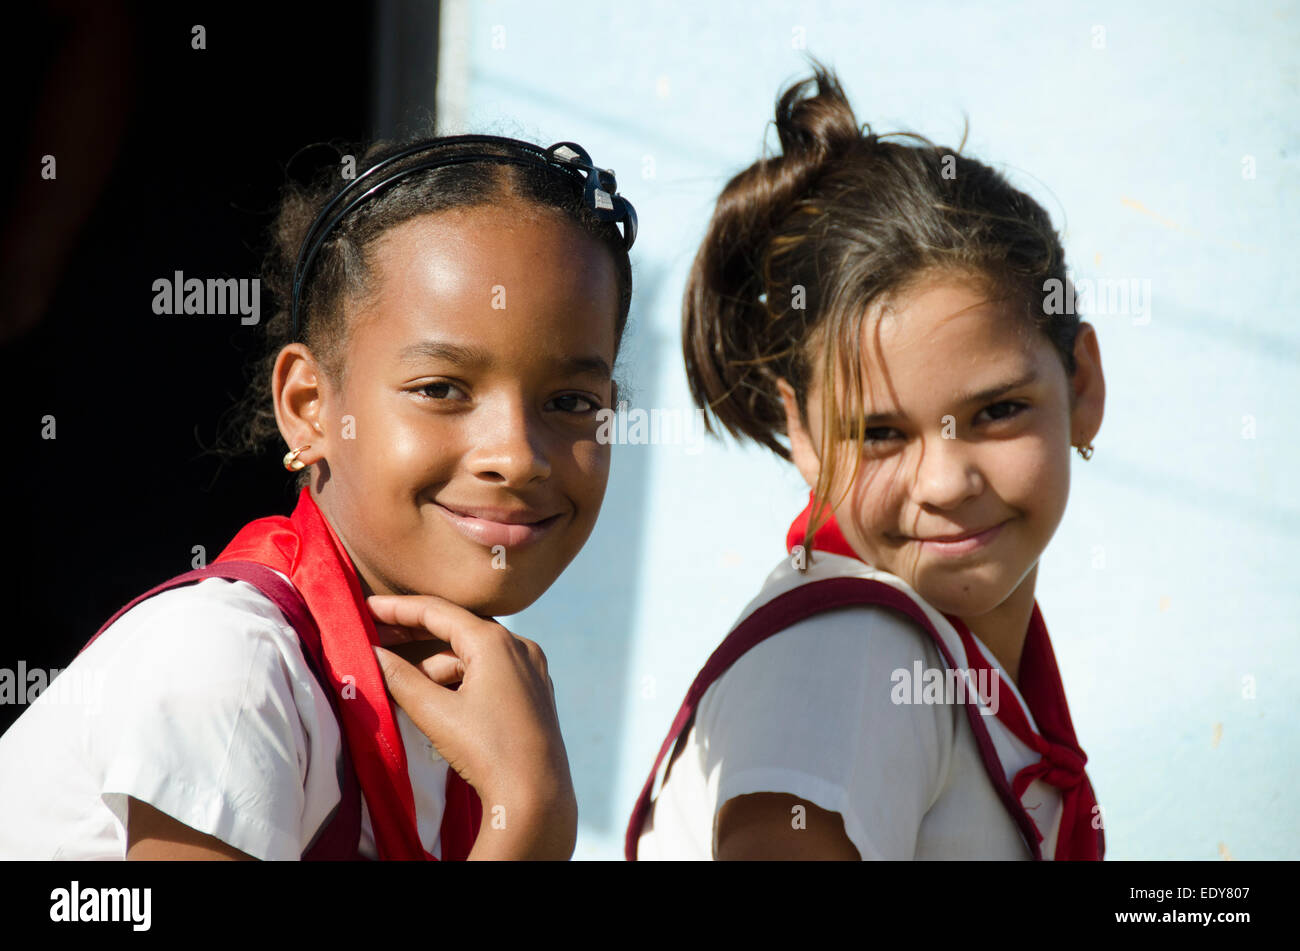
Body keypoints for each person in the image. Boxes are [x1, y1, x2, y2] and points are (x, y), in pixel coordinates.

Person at [0, 133, 637, 860]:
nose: (517, 455)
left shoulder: (476, 715)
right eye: (440, 389)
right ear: (308, 406)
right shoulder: (231, 667)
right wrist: (527, 817)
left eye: (570, 401)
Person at [628, 63, 1106, 860]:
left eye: (997, 411)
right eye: (880, 433)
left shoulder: (950, 663)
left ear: (1082, 383)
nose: (946, 482)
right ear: (804, 436)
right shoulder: (853, 655)